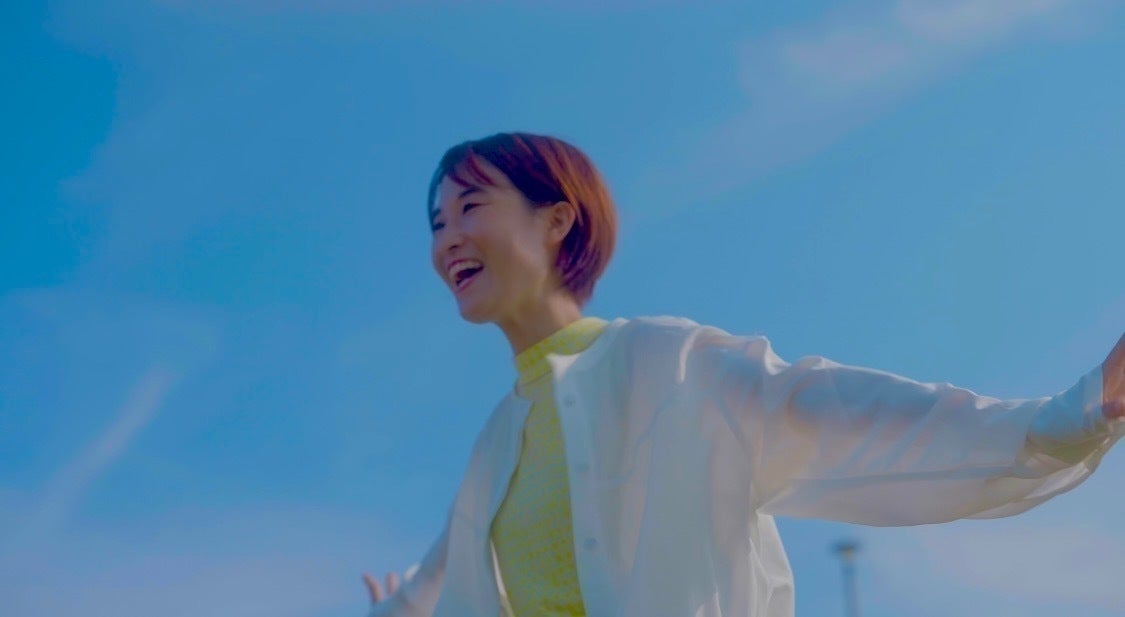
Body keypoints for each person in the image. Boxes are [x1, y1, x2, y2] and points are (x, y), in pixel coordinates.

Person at [361, 132, 1125, 617]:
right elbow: (446, 576)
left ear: (556, 219)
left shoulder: (664, 363)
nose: (447, 239)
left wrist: (1060, 418)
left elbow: (840, 409)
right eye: (436, 223)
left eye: (470, 207)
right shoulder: (496, 442)